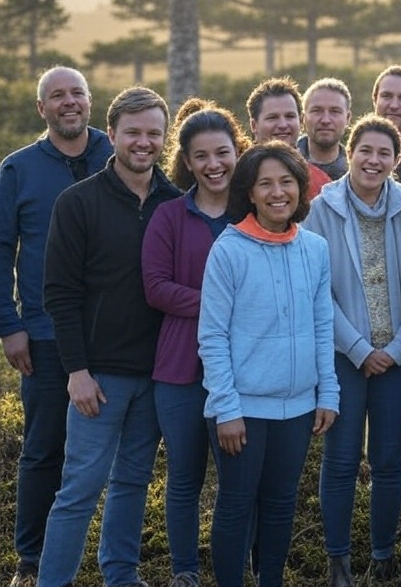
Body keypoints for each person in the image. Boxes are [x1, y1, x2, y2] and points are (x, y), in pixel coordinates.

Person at [39, 86, 181, 587]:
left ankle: (120, 576)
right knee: (79, 487)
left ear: (165, 138)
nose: (143, 142)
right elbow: (58, 293)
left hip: (157, 374)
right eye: (133, 132)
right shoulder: (78, 202)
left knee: (133, 481)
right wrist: (76, 370)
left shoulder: (175, 203)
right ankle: (52, 581)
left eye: (153, 133)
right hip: (98, 375)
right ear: (113, 133)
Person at [198, 142, 339, 587]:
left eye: (287, 182)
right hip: (241, 411)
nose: (278, 192)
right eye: (266, 184)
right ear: (251, 193)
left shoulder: (314, 249)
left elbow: (322, 325)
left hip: (297, 408)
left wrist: (328, 392)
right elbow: (212, 335)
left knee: (281, 504)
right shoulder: (228, 250)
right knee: (237, 504)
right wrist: (227, 408)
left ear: (301, 188)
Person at [0, 67, 112, 587]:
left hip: (117, 332)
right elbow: (2, 251)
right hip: (43, 334)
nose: (69, 103)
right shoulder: (18, 170)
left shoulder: (119, 152)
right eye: (57, 96)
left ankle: (113, 555)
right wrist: (9, 323)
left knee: (121, 452)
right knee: (44, 446)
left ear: (90, 102)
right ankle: (32, 558)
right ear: (41, 107)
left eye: (78, 94)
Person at [304, 116, 401, 586]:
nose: (374, 161)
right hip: (342, 358)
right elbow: (318, 292)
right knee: (341, 458)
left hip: (397, 357)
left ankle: (382, 554)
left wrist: (397, 348)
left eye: (384, 153)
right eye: (365, 151)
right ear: (350, 153)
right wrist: (357, 348)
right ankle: (338, 558)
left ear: (397, 160)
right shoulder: (322, 209)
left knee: (389, 461)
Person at [141, 99, 250, 587]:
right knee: (184, 478)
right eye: (201, 156)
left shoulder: (253, 214)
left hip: (246, 369)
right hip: (180, 370)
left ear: (237, 152)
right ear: (186, 161)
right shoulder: (168, 215)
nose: (213, 165)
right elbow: (156, 287)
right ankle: (185, 569)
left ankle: (235, 566)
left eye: (222, 152)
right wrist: (219, 303)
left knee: (237, 482)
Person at [246, 76, 331, 198]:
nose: (282, 125)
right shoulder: (237, 177)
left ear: (301, 121)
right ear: (254, 125)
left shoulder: (321, 184)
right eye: (272, 118)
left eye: (290, 116)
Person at [299, 78, 352, 180]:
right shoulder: (283, 164)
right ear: (303, 119)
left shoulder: (356, 175)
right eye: (317, 111)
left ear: (348, 118)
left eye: (335, 111)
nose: (325, 120)